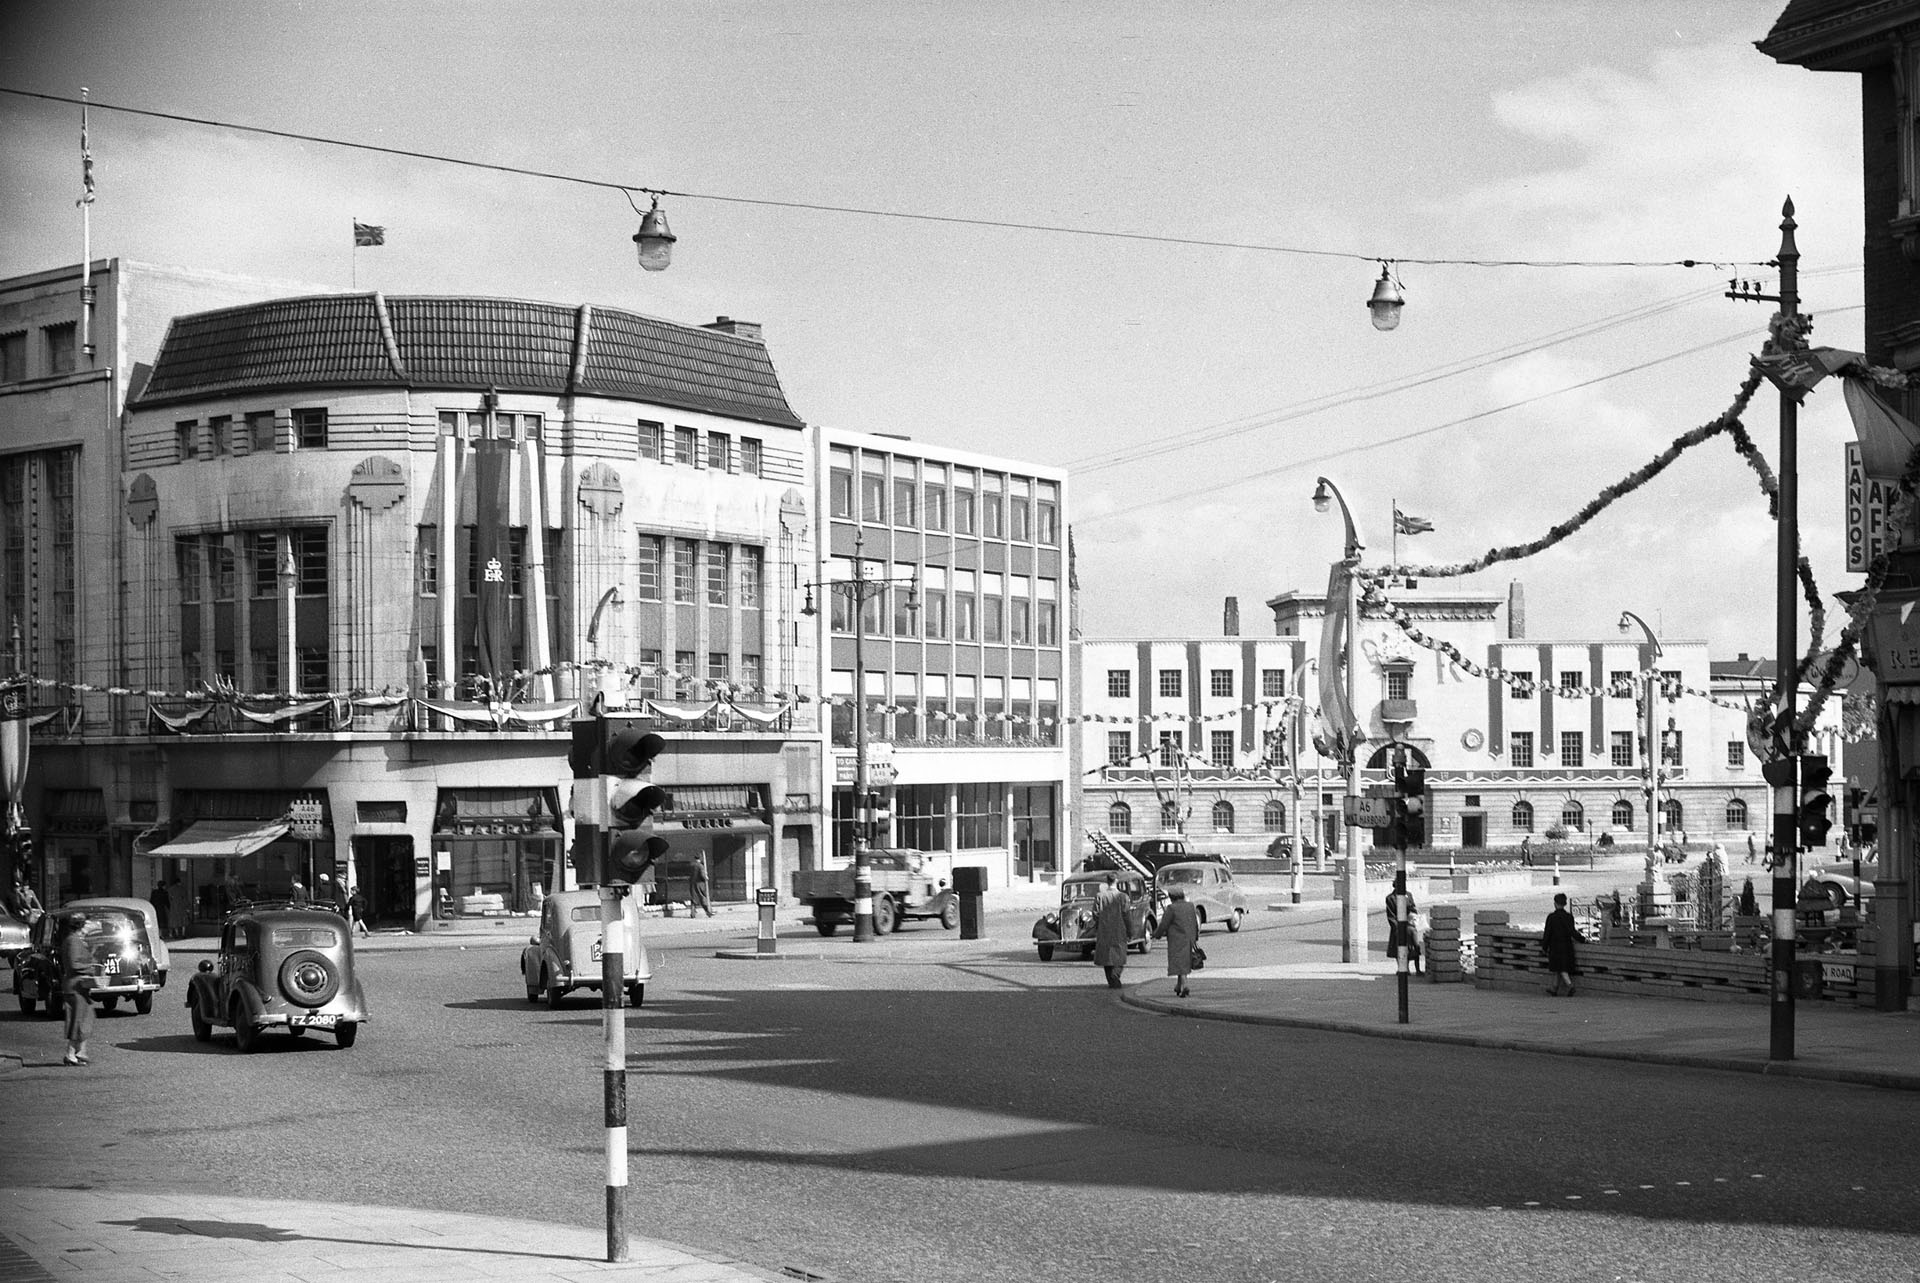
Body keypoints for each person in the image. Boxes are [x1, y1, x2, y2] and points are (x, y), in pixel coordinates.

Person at [58, 911, 97, 1066]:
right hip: (75, 987)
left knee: (86, 1017)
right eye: (86, 923)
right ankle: (70, 1053)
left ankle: (80, 1051)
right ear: (81, 925)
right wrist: (90, 968)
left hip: (79, 987)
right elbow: (74, 964)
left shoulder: (76, 940)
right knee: (77, 1020)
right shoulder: (73, 941)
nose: (89, 925)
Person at [1153, 885, 1201, 997]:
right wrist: (1195, 937)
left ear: (1172, 897)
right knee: (1185, 961)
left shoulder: (1172, 908)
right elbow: (1194, 922)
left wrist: (1157, 934)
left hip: (1177, 939)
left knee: (1179, 962)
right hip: (1189, 937)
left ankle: (1184, 985)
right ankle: (1179, 985)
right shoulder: (1190, 906)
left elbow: (1164, 924)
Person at [1091, 873, 1130, 989]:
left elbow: (1095, 914)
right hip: (1119, 928)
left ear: (1107, 881)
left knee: (1106, 955)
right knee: (1120, 954)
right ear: (1116, 881)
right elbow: (1127, 915)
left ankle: (1111, 979)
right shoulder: (1123, 897)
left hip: (1104, 929)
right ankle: (1115, 976)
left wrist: (1099, 924)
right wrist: (1130, 930)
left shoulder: (1100, 896)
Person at [1542, 891, 1579, 997]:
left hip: (1555, 946)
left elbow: (1547, 933)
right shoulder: (1569, 917)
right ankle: (1554, 988)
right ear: (1565, 904)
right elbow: (1573, 932)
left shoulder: (1552, 917)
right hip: (1567, 946)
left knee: (1560, 968)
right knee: (1558, 968)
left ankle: (1570, 985)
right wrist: (1582, 939)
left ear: (1555, 903)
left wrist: (1544, 947)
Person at [1385, 870, 1421, 975]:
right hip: (1398, 926)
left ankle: (1418, 969)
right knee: (1399, 947)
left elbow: (1413, 909)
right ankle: (1403, 968)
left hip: (1410, 925)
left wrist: (1412, 916)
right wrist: (1397, 927)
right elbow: (1390, 915)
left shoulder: (1408, 895)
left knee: (1415, 945)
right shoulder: (1390, 898)